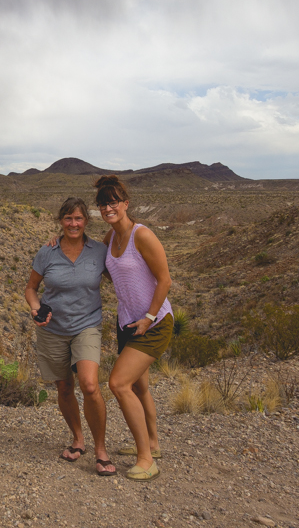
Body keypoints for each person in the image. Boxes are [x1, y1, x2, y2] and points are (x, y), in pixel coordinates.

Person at [24, 197, 116, 476]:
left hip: (86, 326)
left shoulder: (99, 251)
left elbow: (121, 272)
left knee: (89, 385)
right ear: (60, 221)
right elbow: (31, 288)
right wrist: (36, 308)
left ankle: (101, 450)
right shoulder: (47, 252)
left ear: (86, 221)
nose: (73, 224)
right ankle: (78, 439)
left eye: (78, 218)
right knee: (64, 387)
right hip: (53, 330)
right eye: (68, 218)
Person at [96, 175, 172, 482]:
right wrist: (59, 242)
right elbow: (94, 263)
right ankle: (152, 444)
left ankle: (146, 460)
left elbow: (165, 279)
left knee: (118, 384)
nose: (108, 208)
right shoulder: (109, 239)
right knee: (139, 386)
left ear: (126, 204)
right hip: (127, 322)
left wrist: (149, 316)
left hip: (153, 324)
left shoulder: (142, 235)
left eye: (113, 201)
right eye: (102, 203)